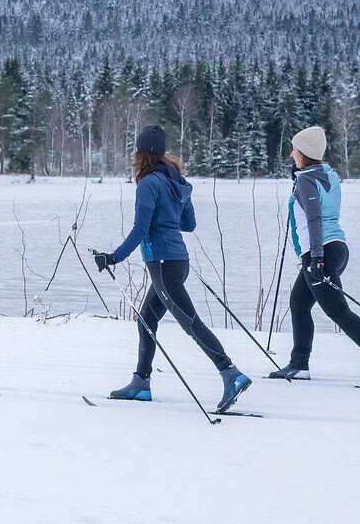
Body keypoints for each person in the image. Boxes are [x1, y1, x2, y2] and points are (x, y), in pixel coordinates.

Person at [94, 125, 251, 413]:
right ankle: (141, 384)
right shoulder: (176, 181)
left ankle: (231, 373)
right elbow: (188, 225)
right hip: (178, 262)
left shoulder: (148, 184)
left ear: (141, 155)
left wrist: (113, 257)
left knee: (191, 324)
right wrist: (166, 218)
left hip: (163, 265)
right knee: (146, 321)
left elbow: (140, 229)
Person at [268, 125, 360, 388]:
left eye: (294, 148)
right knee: (299, 304)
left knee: (338, 311)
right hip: (336, 247)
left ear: (303, 152)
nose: (291, 152)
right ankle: (299, 364)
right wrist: (299, 179)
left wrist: (316, 257)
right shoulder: (326, 176)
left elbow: (314, 217)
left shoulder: (306, 180)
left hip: (321, 252)